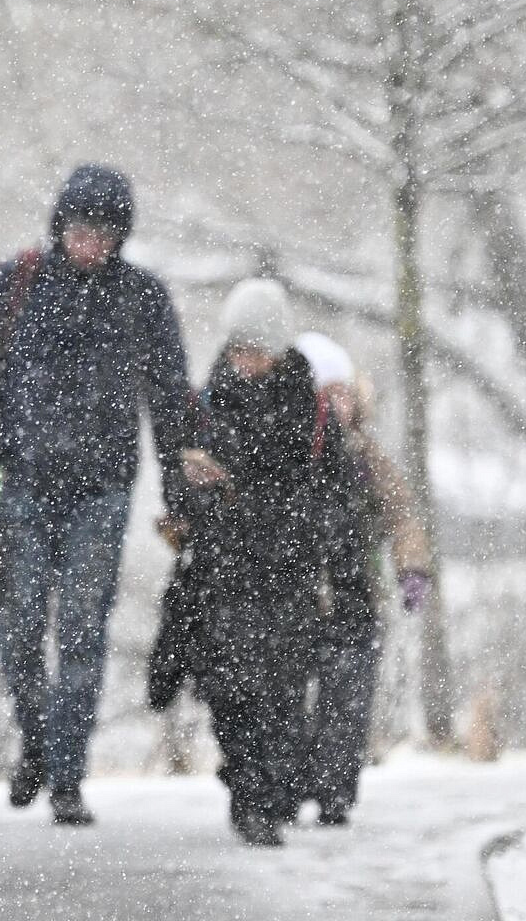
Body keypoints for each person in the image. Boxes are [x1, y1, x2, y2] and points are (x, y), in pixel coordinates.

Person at [0, 164, 198, 826]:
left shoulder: (142, 298)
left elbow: (170, 405)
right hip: (21, 487)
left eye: (104, 232)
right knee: (18, 631)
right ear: (60, 225)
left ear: (121, 237)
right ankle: (39, 737)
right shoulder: (16, 284)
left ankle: (66, 777)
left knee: (84, 634)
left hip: (102, 492)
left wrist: (178, 492)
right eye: (81, 228)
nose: (90, 242)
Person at [148, 279, 334, 847]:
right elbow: (180, 479)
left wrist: (248, 494)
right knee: (231, 688)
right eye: (238, 349)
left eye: (256, 350)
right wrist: (196, 488)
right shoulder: (208, 401)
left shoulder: (307, 406)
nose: (245, 361)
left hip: (285, 567)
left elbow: (320, 491)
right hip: (223, 567)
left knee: (281, 688)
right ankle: (249, 791)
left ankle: (268, 792)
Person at [293, 332, 432, 827]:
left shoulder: (367, 458)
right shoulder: (290, 457)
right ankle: (288, 782)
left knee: (348, 701)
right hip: (298, 597)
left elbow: (402, 514)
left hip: (356, 595)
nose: (336, 406)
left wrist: (411, 567)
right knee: (291, 698)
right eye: (325, 396)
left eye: (343, 395)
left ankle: (335, 789)